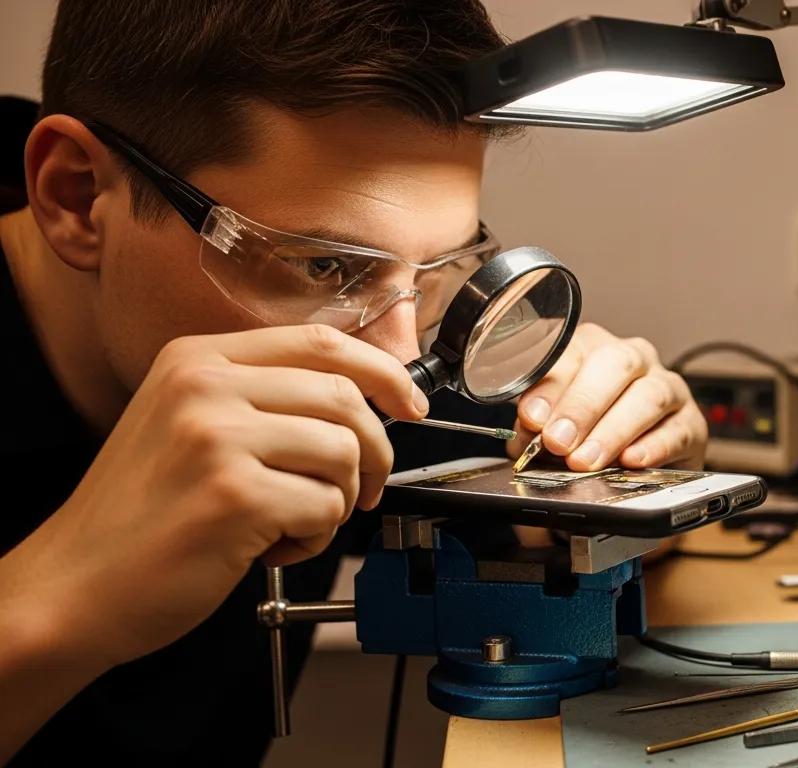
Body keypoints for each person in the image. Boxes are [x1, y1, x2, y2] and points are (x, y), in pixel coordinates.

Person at [0, 1, 708, 763]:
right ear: (77, 197)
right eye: (326, 267)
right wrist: (61, 595)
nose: (401, 363)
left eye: (437, 270)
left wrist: (631, 463)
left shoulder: (380, 353)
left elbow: (547, 530)